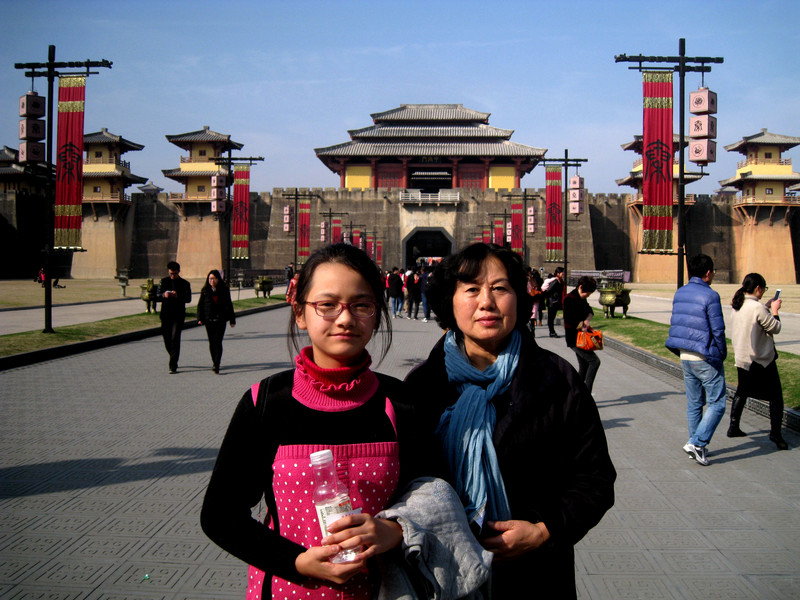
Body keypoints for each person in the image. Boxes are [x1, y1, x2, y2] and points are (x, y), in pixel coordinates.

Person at [201, 244, 434, 600]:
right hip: (288, 590)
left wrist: (395, 530)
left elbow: (435, 496)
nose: (345, 319)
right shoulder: (266, 402)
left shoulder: (399, 403)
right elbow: (221, 515)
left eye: (361, 305)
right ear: (300, 312)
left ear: (377, 312)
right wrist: (296, 561)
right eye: (327, 305)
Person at [404, 243, 616, 599]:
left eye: (500, 288)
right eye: (471, 289)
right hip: (441, 575)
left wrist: (544, 531)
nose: (486, 302)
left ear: (519, 298)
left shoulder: (555, 379)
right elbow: (404, 485)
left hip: (536, 573)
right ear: (449, 301)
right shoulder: (424, 386)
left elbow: (595, 479)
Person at [665, 254, 727, 466]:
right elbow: (718, 329)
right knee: (717, 402)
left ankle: (695, 443)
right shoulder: (711, 296)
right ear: (708, 273)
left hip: (685, 354)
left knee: (694, 404)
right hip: (704, 356)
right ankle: (698, 442)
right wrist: (721, 353)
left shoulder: (680, 292)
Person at [728, 273, 788, 450]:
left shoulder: (738, 305)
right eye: (763, 289)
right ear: (758, 289)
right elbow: (775, 327)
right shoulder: (757, 308)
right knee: (776, 397)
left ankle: (733, 426)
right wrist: (775, 310)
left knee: (742, 391)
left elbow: (757, 319)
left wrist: (767, 307)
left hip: (742, 358)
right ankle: (776, 434)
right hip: (760, 360)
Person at [563, 276, 600, 394]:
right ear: (580, 287)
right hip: (574, 338)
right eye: (587, 294)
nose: (587, 296)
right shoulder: (569, 299)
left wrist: (587, 320)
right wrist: (581, 324)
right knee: (594, 362)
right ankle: (586, 394)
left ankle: (574, 393)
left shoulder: (581, 298)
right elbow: (568, 319)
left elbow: (590, 310)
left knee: (584, 366)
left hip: (583, 337)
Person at [197, 269, 236, 374]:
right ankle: (214, 360)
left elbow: (229, 305)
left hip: (220, 320)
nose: (212, 281)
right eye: (210, 278)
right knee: (212, 342)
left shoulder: (224, 290)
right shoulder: (205, 290)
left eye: (214, 278)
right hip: (209, 320)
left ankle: (217, 363)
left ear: (218, 279)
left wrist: (232, 320)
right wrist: (200, 318)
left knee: (218, 341)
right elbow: (200, 305)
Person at [157, 261, 192, 374]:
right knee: (167, 339)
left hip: (178, 315)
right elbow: (157, 296)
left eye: (175, 273)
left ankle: (173, 365)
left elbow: (188, 298)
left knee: (175, 338)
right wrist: (164, 295)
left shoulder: (185, 283)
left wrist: (178, 295)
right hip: (166, 314)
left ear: (179, 272)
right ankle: (173, 355)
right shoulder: (164, 282)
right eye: (171, 273)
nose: (173, 276)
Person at [545, 266, 565, 338]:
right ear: (558, 273)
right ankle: (552, 332)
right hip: (552, 302)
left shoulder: (560, 281)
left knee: (552, 317)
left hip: (555, 302)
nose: (563, 273)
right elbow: (548, 291)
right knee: (551, 318)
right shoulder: (555, 281)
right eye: (562, 272)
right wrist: (553, 297)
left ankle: (552, 331)